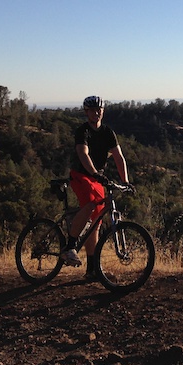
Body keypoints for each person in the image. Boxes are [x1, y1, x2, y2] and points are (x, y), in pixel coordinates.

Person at [61, 95, 131, 279]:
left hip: (96, 178)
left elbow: (118, 157)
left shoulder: (108, 132)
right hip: (81, 175)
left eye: (99, 109)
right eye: (92, 110)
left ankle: (92, 270)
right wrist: (94, 173)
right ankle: (69, 247)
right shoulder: (82, 131)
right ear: (86, 112)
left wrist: (125, 182)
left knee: (97, 222)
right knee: (90, 205)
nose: (97, 112)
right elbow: (83, 153)